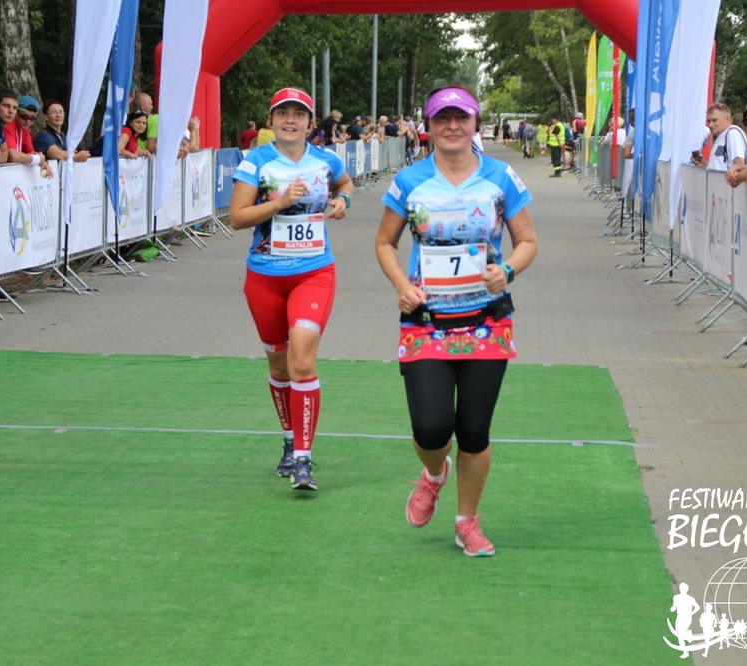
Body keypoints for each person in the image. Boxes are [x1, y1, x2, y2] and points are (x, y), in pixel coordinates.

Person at [375, 84, 537, 558]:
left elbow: (527, 241)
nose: (452, 126)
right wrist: (401, 285)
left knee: (473, 431)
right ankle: (433, 473)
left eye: (461, 117)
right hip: (426, 321)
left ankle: (467, 521)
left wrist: (507, 270)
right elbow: (385, 242)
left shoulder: (500, 177)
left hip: (486, 322)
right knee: (431, 429)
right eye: (442, 118)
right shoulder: (409, 180)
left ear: (475, 124)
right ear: (428, 126)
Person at [228, 87, 353, 492]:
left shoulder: (325, 160)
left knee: (301, 361)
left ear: (310, 124)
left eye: (299, 115)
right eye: (283, 113)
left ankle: (303, 458)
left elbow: (346, 183)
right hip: (264, 276)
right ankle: (287, 439)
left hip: (313, 273)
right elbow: (237, 218)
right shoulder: (256, 162)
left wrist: (343, 200)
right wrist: (279, 203)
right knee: (280, 367)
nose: (290, 120)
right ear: (271, 121)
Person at [3, 96, 54, 179]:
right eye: (24, 117)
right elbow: (13, 156)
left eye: (32, 118)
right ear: (16, 113)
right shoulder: (8, 126)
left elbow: (31, 153)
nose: (28, 121)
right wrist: (38, 159)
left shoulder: (25, 129)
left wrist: (43, 163)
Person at [693, 103, 746, 172]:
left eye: (714, 120)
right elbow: (720, 166)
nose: (710, 125)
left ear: (727, 119)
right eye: (708, 121)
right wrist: (704, 164)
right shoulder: (723, 135)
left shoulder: (732, 134)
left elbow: (740, 165)